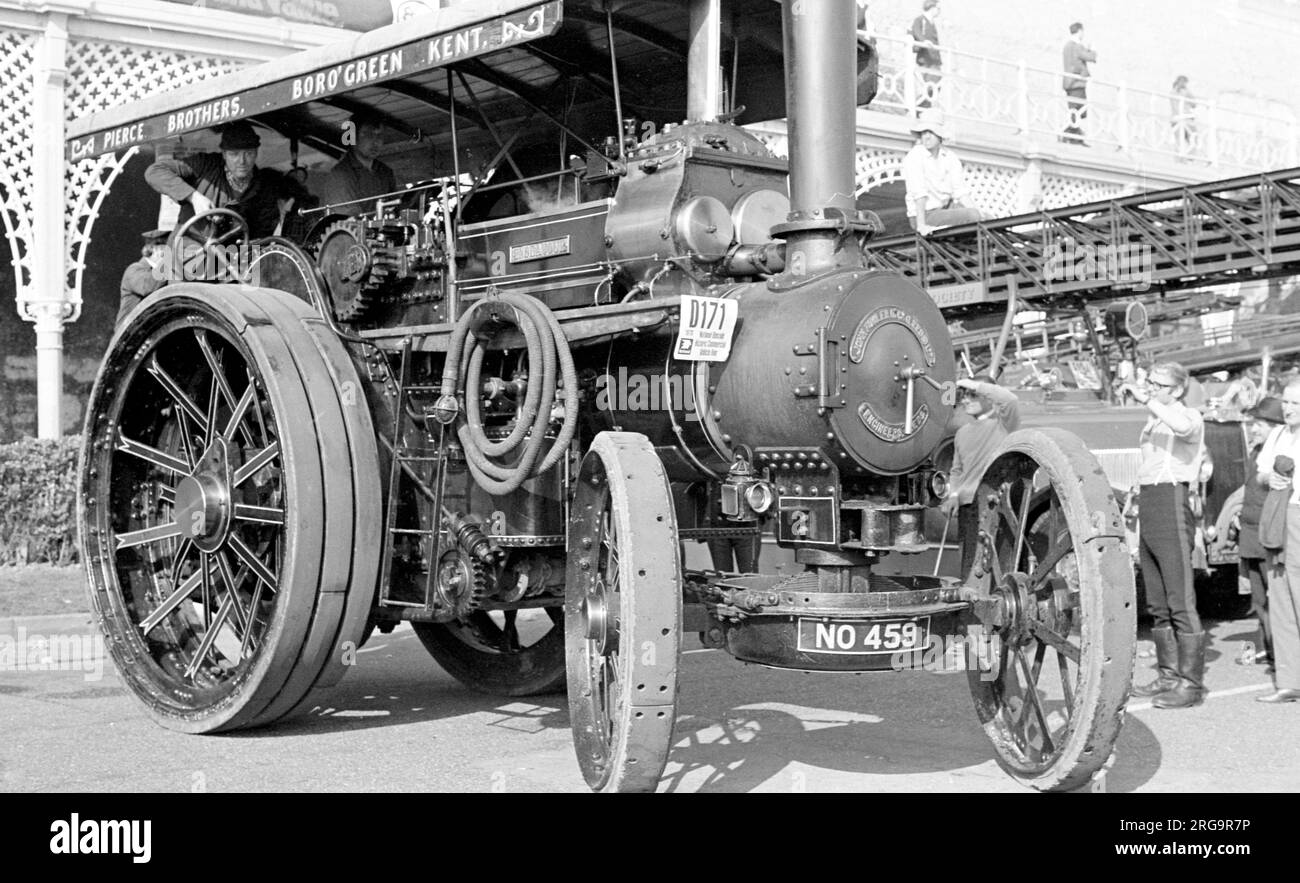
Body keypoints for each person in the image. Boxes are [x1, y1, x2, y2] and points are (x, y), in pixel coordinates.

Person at [1120, 362, 1207, 709]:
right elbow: (1150, 463)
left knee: (1180, 598)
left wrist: (1149, 400)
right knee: (1156, 598)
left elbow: (1184, 427)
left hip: (1172, 498)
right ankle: (1169, 674)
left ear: (1177, 390)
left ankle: (1191, 683)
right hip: (1152, 500)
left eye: (1159, 384)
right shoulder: (1155, 418)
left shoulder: (1189, 416)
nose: (1151, 387)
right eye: (1151, 382)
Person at [145, 120, 306, 240]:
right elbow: (154, 171)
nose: (242, 161)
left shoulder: (263, 189)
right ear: (223, 154)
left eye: (248, 154)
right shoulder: (204, 165)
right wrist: (194, 197)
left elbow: (261, 235)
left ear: (256, 153)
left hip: (229, 264)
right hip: (185, 255)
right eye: (234, 154)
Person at [941, 376, 1021, 574]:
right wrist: (952, 496)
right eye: (964, 396)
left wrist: (975, 384)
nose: (966, 400)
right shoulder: (962, 433)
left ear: (989, 397)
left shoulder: (1003, 424)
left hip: (998, 506)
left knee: (1000, 566)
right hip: (967, 509)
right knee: (968, 567)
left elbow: (1010, 400)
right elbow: (957, 470)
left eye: (972, 395)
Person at [1252, 378, 1300, 702]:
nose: (1288, 408)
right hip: (1278, 517)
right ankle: (1290, 680)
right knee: (1280, 595)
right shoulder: (1279, 434)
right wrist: (1271, 477)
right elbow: (1260, 474)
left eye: (1295, 403)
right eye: (1286, 402)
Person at [1236, 395, 1283, 672]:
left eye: (1261, 424)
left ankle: (1283, 656)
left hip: (1269, 537)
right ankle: (1270, 650)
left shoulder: (1280, 456)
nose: (1254, 429)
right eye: (1254, 423)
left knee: (1276, 599)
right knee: (1259, 599)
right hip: (1251, 536)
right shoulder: (1257, 454)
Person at [901, 111, 982, 235]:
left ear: (940, 136)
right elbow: (919, 194)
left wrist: (980, 215)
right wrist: (921, 225)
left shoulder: (950, 157)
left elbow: (960, 191)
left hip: (946, 209)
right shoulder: (915, 156)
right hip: (925, 214)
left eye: (931, 132)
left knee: (987, 218)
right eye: (923, 133)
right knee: (972, 215)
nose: (926, 137)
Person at [318, 113, 398, 216]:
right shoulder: (340, 174)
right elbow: (350, 220)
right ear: (352, 136)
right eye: (368, 135)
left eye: (380, 135)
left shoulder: (385, 172)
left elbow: (396, 208)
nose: (375, 142)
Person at [115, 229, 169, 329]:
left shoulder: (162, 273)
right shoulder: (134, 270)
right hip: (129, 337)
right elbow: (149, 286)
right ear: (155, 249)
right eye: (168, 249)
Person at [1061, 22, 1096, 146]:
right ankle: (1069, 135)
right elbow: (1088, 57)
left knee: (1074, 109)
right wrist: (1091, 50)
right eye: (1083, 32)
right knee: (1079, 110)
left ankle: (1074, 136)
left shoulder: (1066, 46)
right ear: (1080, 31)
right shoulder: (1076, 46)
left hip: (1069, 82)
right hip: (1077, 82)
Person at [910, 0, 942, 109]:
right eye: (938, 8)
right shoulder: (920, 20)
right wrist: (924, 41)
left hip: (934, 59)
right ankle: (921, 107)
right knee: (928, 85)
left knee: (936, 84)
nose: (939, 11)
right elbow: (916, 30)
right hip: (925, 59)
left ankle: (924, 107)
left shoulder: (932, 22)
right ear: (932, 8)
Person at [1170, 75, 1197, 159]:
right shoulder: (1185, 92)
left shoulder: (1172, 91)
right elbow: (1194, 104)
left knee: (1179, 140)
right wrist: (1187, 90)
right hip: (1186, 118)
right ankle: (1190, 157)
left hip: (1175, 118)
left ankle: (1179, 158)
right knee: (1193, 138)